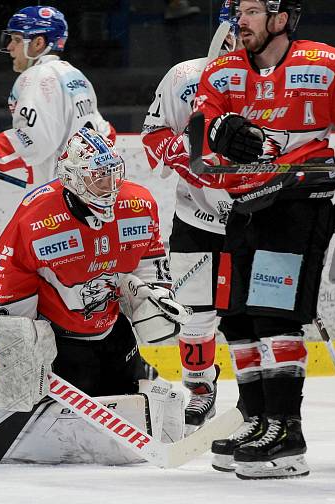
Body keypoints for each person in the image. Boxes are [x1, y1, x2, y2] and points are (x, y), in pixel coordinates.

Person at [191, 0, 335, 479]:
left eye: (254, 10)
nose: (242, 21)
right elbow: (198, 132)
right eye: (241, 11)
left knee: (274, 316)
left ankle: (286, 431)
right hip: (243, 206)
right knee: (236, 318)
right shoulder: (223, 71)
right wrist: (215, 131)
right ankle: (256, 420)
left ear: (282, 18)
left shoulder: (327, 63)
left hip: (300, 200)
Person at [0, 128, 188, 465]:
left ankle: (144, 378)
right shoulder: (39, 217)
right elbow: (3, 276)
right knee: (68, 404)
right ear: (73, 179)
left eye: (113, 174)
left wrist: (152, 297)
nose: (109, 186)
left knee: (132, 389)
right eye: (98, 177)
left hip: (112, 330)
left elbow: (149, 258)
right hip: (62, 342)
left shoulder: (138, 204)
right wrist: (20, 343)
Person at [141, 1, 239, 432]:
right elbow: (154, 135)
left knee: (248, 317)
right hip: (196, 216)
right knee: (194, 313)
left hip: (254, 219)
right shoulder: (184, 78)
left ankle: (260, 397)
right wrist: (180, 151)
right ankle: (200, 388)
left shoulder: (283, 81)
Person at [0, 6, 116, 186]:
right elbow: (107, 134)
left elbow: (35, 139)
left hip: (56, 198)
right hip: (86, 193)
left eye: (16, 39)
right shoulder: (77, 77)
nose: (10, 47)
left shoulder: (37, 77)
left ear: (38, 43)